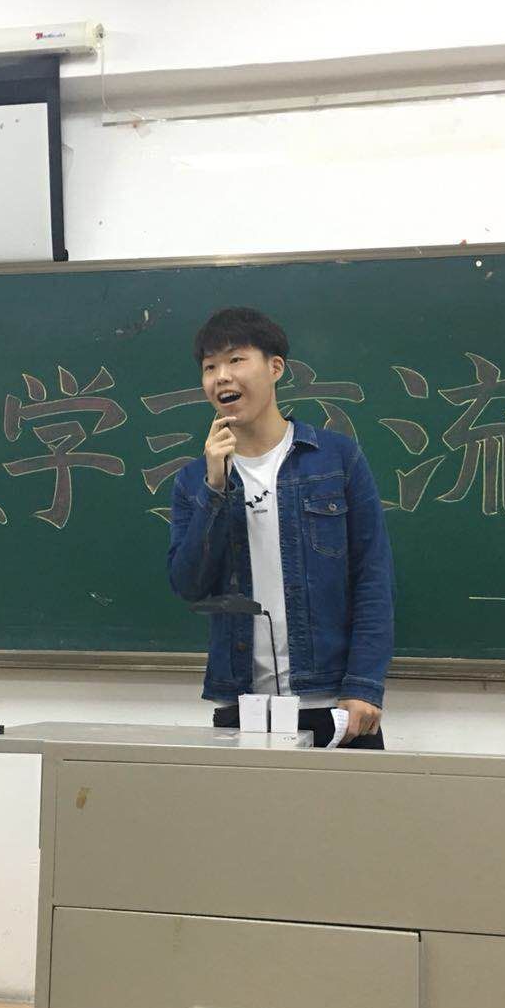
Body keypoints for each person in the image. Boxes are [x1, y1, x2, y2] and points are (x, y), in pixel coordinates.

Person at [166, 307, 395, 748]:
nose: (221, 377)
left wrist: (364, 684)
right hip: (242, 707)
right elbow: (189, 585)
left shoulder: (336, 459)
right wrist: (215, 488)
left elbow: (373, 576)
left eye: (236, 360)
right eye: (210, 367)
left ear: (275, 368)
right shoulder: (195, 480)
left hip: (333, 703)